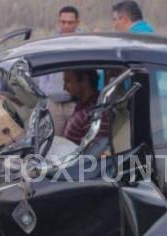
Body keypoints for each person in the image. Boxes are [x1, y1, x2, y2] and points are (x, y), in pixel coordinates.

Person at [40, 6, 82, 135]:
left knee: (77, 143)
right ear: (59, 22)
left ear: (77, 22)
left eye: (70, 22)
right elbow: (44, 71)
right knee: (53, 143)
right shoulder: (51, 44)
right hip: (54, 104)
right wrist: (46, 90)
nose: (66, 26)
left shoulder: (84, 43)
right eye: (63, 22)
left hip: (75, 104)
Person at [63, 69, 109, 144]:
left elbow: (98, 152)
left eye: (68, 81)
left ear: (84, 80)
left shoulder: (95, 115)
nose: (64, 88)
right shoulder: (84, 110)